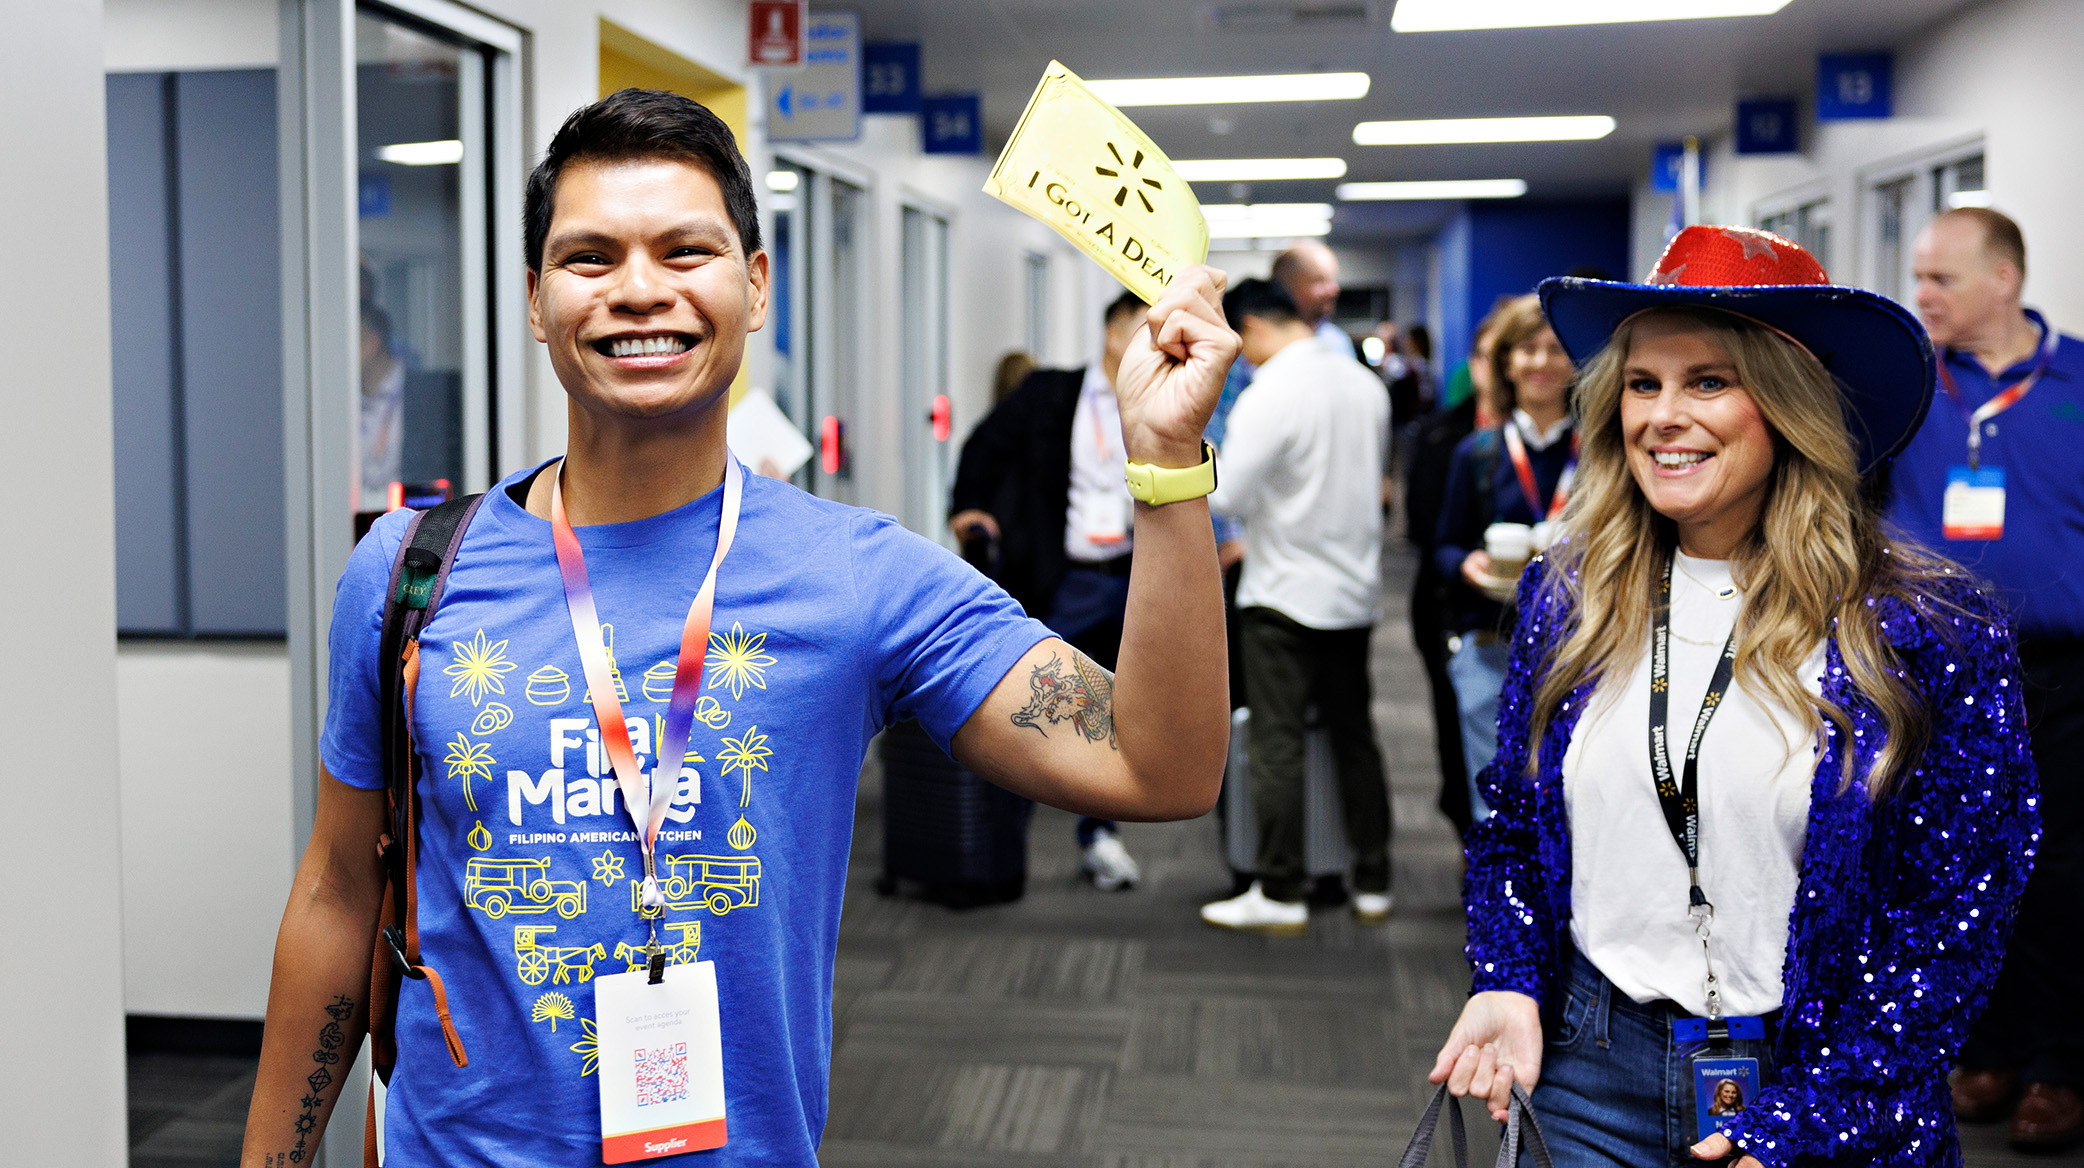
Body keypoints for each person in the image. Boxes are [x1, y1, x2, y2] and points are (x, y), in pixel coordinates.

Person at [240, 89, 1239, 1166]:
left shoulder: (860, 577)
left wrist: (1166, 472)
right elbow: (337, 892)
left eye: (684, 250)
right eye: (588, 258)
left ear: (754, 285)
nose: (637, 291)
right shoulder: (408, 573)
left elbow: (1160, 766)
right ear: (534, 301)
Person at [1431, 225, 2039, 1167]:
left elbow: (1959, 905)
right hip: (1590, 1069)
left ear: (1788, 408)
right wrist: (1507, 976)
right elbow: (1513, 820)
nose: (1663, 416)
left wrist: (1819, 1112)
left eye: (1708, 382)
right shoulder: (1574, 596)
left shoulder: (1926, 628)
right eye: (1644, 384)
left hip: (1824, 1080)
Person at [1887, 206, 2084, 1149]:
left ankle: (2058, 1065)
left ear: (2004, 279)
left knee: (2058, 872)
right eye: (1918, 277)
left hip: (2064, 675)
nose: (1920, 294)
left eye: (1940, 279)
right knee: (1950, 864)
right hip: (1931, 672)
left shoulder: (2079, 381)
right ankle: (1986, 1049)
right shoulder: (1906, 389)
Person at [945, 292, 1164, 891]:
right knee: (1033, 703)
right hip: (1065, 577)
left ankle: (1100, 836)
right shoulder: (1051, 394)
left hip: (1129, 574)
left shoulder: (1155, 402)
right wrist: (965, 506)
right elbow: (983, 445)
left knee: (1122, 714)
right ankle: (1000, 843)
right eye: (1146, 330)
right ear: (1114, 334)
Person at [1198, 279, 1393, 932]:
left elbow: (1224, 496)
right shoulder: (1365, 385)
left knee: (1277, 746)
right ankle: (1372, 881)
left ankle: (1279, 891)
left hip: (1282, 596)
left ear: (1251, 327)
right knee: (1354, 740)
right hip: (1353, 593)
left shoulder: (1270, 390)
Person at [1432, 294, 1575, 822]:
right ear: (1506, 362)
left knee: (1572, 804)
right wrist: (1465, 564)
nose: (1540, 363)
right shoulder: (1478, 453)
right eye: (1527, 349)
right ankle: (1496, 906)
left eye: (1555, 349)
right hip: (1493, 646)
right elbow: (1444, 548)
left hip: (1581, 652)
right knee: (1494, 808)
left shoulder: (1605, 454)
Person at [1401, 306, 1509, 839]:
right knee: (1460, 737)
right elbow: (1424, 527)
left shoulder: (1566, 439)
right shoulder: (1447, 435)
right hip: (1454, 611)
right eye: (1491, 355)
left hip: (1539, 622)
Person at [1272, 240, 1355, 358]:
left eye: (1332, 280)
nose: (1334, 290)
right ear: (1286, 285)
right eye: (1319, 280)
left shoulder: (1337, 342)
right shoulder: (1259, 342)